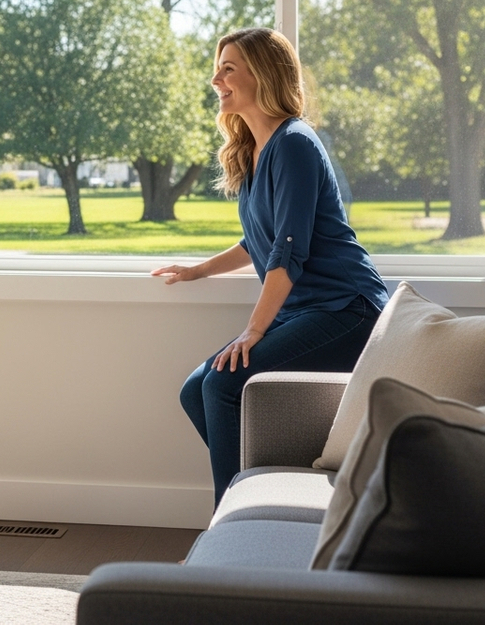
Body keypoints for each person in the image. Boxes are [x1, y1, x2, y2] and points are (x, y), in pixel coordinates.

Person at [152, 27, 388, 508]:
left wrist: (252, 332)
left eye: (228, 68)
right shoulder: (256, 150)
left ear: (262, 74)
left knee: (222, 384)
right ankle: (261, 498)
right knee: (197, 390)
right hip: (307, 311)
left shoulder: (295, 143)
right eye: (218, 67)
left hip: (348, 309)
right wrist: (197, 271)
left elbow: (287, 251)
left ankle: (231, 519)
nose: (215, 78)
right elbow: (257, 242)